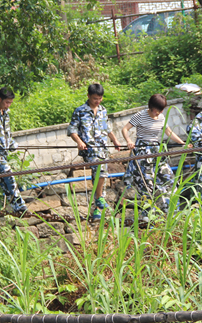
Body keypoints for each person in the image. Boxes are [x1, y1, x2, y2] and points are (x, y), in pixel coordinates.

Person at [121, 94, 185, 220]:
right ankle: (148, 215)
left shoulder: (161, 117)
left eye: (161, 110)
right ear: (151, 107)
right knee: (147, 184)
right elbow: (125, 129)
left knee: (170, 179)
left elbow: (169, 132)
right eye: (158, 109)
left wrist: (182, 143)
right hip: (142, 152)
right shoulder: (140, 115)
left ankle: (172, 210)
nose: (159, 112)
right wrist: (129, 141)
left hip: (156, 151)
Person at [68, 83, 122, 221]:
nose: (97, 101)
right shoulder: (80, 111)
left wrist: (115, 141)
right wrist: (79, 142)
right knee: (100, 170)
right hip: (89, 149)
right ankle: (99, 199)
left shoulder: (103, 110)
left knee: (100, 173)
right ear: (88, 96)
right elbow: (72, 130)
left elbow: (107, 129)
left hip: (103, 148)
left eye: (99, 98)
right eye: (94, 99)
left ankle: (98, 208)